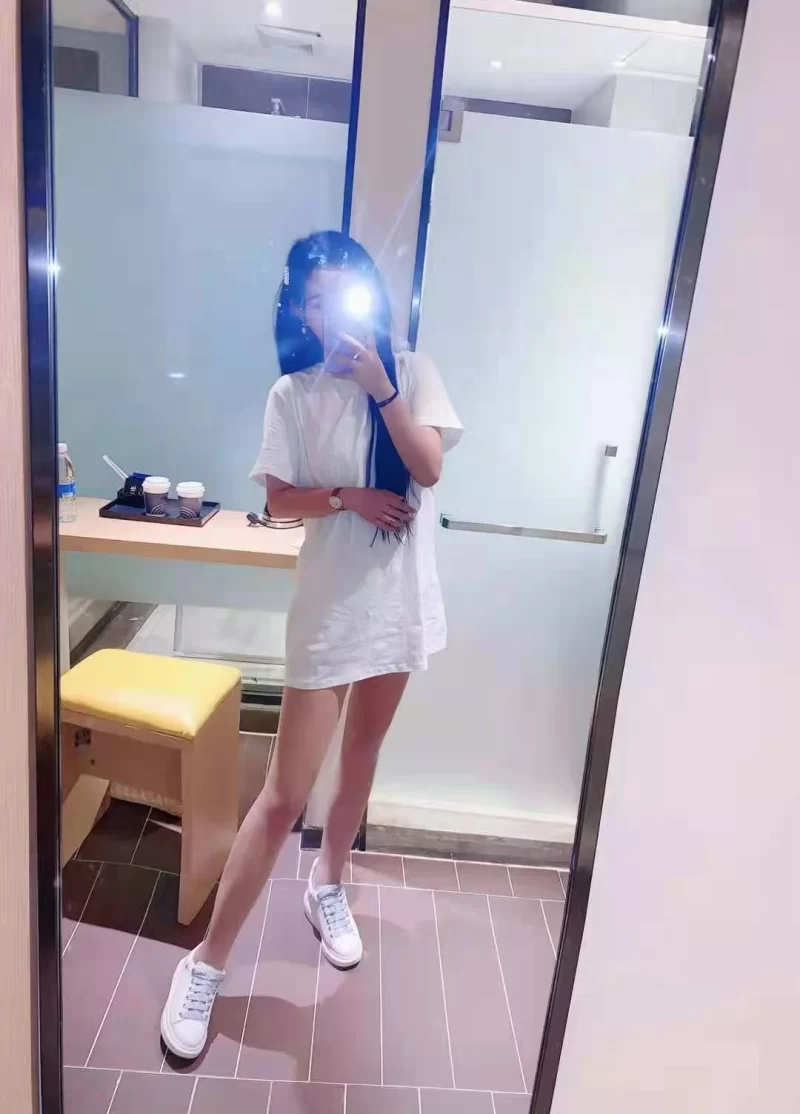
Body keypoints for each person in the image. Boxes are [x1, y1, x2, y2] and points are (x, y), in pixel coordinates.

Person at [160, 230, 462, 1060]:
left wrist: (381, 386)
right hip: (331, 612)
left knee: (361, 757)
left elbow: (428, 468)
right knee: (284, 795)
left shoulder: (414, 373)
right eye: (317, 299)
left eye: (346, 294)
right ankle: (205, 963)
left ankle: (330, 884)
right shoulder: (290, 394)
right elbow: (280, 503)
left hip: (398, 607)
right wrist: (348, 497)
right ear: (299, 309)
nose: (332, 313)